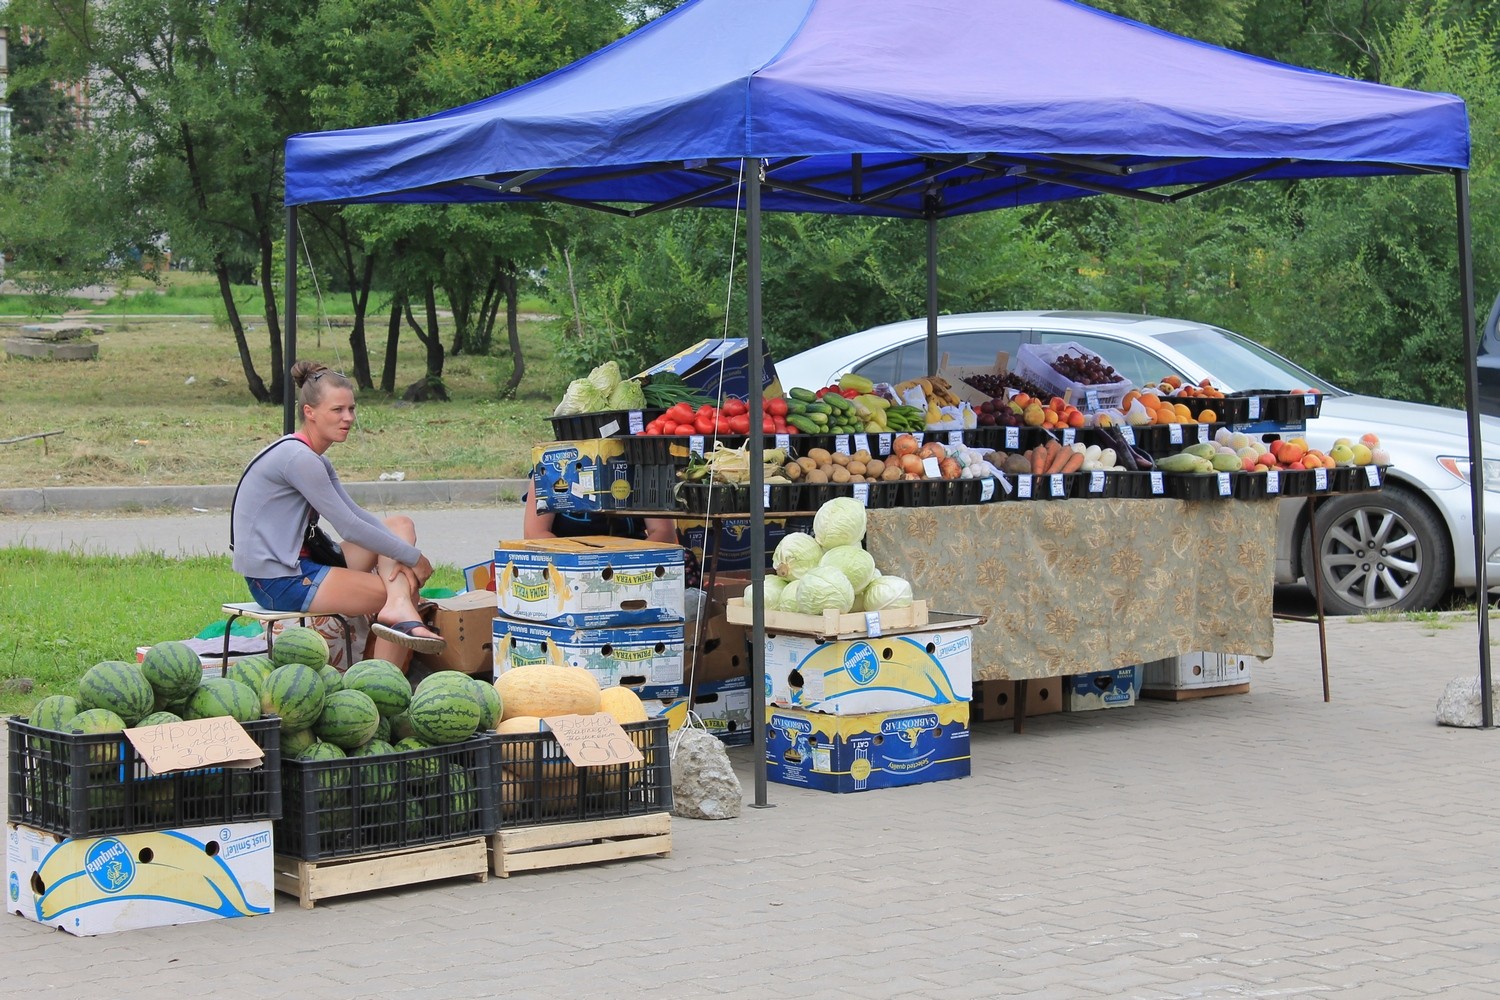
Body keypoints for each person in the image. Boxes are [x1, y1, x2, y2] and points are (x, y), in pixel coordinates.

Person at [231, 360, 444, 670]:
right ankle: (380, 686)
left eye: (351, 409)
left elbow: (356, 514)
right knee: (405, 587)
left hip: (308, 563)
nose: (348, 418)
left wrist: (406, 552)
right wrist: (412, 557)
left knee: (400, 524)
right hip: (279, 580)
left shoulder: (311, 457)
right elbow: (348, 527)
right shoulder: (298, 458)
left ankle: (397, 608)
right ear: (310, 412)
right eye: (338, 410)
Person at [522, 477, 678, 543]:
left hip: (632, 565)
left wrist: (627, 562)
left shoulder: (642, 468)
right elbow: (535, 534)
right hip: (566, 565)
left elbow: (664, 533)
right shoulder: (550, 468)